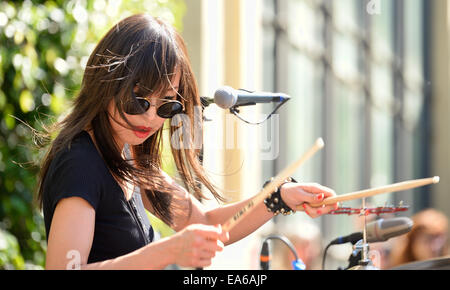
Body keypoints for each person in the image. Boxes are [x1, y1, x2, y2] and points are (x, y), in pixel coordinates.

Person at [37, 14, 338, 270]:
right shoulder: (79, 163)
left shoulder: (127, 157)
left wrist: (279, 197)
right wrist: (168, 251)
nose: (152, 117)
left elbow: (205, 221)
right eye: (139, 100)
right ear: (107, 82)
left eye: (167, 105)